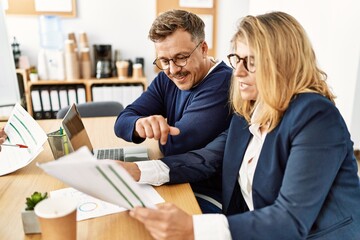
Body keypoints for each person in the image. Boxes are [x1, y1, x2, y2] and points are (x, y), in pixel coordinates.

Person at [122, 11, 360, 239]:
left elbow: (290, 220)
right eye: (237, 59)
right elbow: (207, 158)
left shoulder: (315, 116)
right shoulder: (250, 110)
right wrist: (139, 171)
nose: (238, 72)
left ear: (283, 64)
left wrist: (194, 229)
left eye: (251, 62)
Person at [114, 10, 233, 212]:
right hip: (174, 179)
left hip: (202, 191)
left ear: (203, 48)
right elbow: (122, 121)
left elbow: (177, 145)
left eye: (181, 57)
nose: (173, 69)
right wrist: (138, 125)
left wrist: (155, 132)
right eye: (164, 60)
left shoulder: (223, 84)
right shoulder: (166, 77)